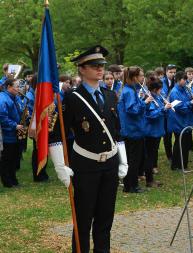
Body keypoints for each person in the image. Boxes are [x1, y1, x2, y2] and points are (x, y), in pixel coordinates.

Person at [48, 45, 128, 252]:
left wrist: (123, 159)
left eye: (101, 65)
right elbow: (57, 134)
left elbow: (116, 131)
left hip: (109, 164)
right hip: (85, 166)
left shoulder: (110, 95)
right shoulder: (72, 98)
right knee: (83, 220)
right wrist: (59, 166)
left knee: (105, 219)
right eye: (94, 66)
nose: (100, 69)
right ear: (81, 69)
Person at [118, 66, 149, 193]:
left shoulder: (129, 90)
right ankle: (132, 186)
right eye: (141, 76)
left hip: (132, 129)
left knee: (132, 159)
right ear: (134, 77)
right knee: (133, 160)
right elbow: (132, 110)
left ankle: (128, 185)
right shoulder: (129, 91)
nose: (142, 78)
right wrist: (144, 102)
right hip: (133, 130)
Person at [167, 71, 193, 170]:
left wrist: (192, 100)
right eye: (183, 79)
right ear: (178, 80)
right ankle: (177, 165)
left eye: (185, 79)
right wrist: (190, 103)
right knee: (179, 144)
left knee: (185, 144)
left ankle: (183, 164)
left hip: (186, 121)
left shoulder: (185, 89)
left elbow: (186, 102)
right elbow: (180, 108)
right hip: (178, 121)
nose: (185, 81)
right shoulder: (175, 91)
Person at [143, 76, 169, 187]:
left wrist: (166, 108)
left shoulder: (158, 97)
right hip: (151, 132)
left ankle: (150, 178)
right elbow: (151, 115)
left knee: (153, 155)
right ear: (154, 89)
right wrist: (164, 109)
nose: (161, 91)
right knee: (150, 156)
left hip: (157, 130)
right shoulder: (149, 98)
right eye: (160, 89)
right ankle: (149, 180)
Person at [0, 79, 23, 188]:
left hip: (16, 133)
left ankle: (13, 179)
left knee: (15, 158)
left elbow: (20, 110)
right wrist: (15, 125)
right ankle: (7, 181)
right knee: (7, 159)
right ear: (9, 87)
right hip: (8, 134)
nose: (19, 89)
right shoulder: (3, 98)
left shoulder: (15, 97)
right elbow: (2, 117)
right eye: (17, 86)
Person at [26, 74, 49, 182]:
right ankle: (38, 174)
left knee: (42, 149)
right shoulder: (32, 95)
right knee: (37, 151)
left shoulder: (38, 92)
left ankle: (42, 172)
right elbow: (31, 113)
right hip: (36, 125)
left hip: (41, 124)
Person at [161, 64, 177, 165]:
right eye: (171, 72)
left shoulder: (176, 81)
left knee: (175, 131)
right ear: (166, 72)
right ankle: (169, 155)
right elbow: (162, 94)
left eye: (174, 72)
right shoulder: (162, 82)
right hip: (166, 110)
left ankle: (176, 153)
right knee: (167, 134)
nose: (173, 74)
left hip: (174, 109)